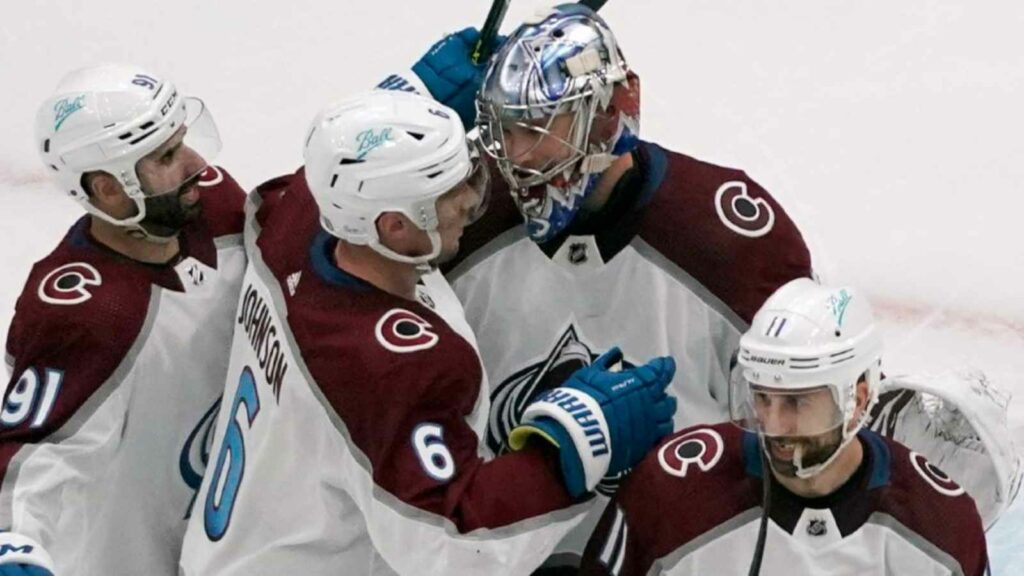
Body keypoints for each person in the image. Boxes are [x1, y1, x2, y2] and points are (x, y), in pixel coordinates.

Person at [178, 89, 677, 576]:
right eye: (446, 192)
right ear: (393, 226)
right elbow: (453, 547)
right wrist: (567, 445)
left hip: (231, 549)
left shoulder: (301, 216)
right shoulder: (395, 366)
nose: (470, 200)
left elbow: (348, 151)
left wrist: (415, 98)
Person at [0, 64, 247, 575]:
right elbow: (30, 453)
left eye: (181, 142)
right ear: (110, 189)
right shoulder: (89, 312)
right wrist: (12, 545)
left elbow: (315, 228)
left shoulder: (215, 210)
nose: (197, 165)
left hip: (223, 540)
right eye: (167, 156)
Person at [578, 279, 989, 575]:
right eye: (761, 397)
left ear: (859, 396)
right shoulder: (671, 490)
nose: (772, 423)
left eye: (795, 401)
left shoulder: (939, 525)